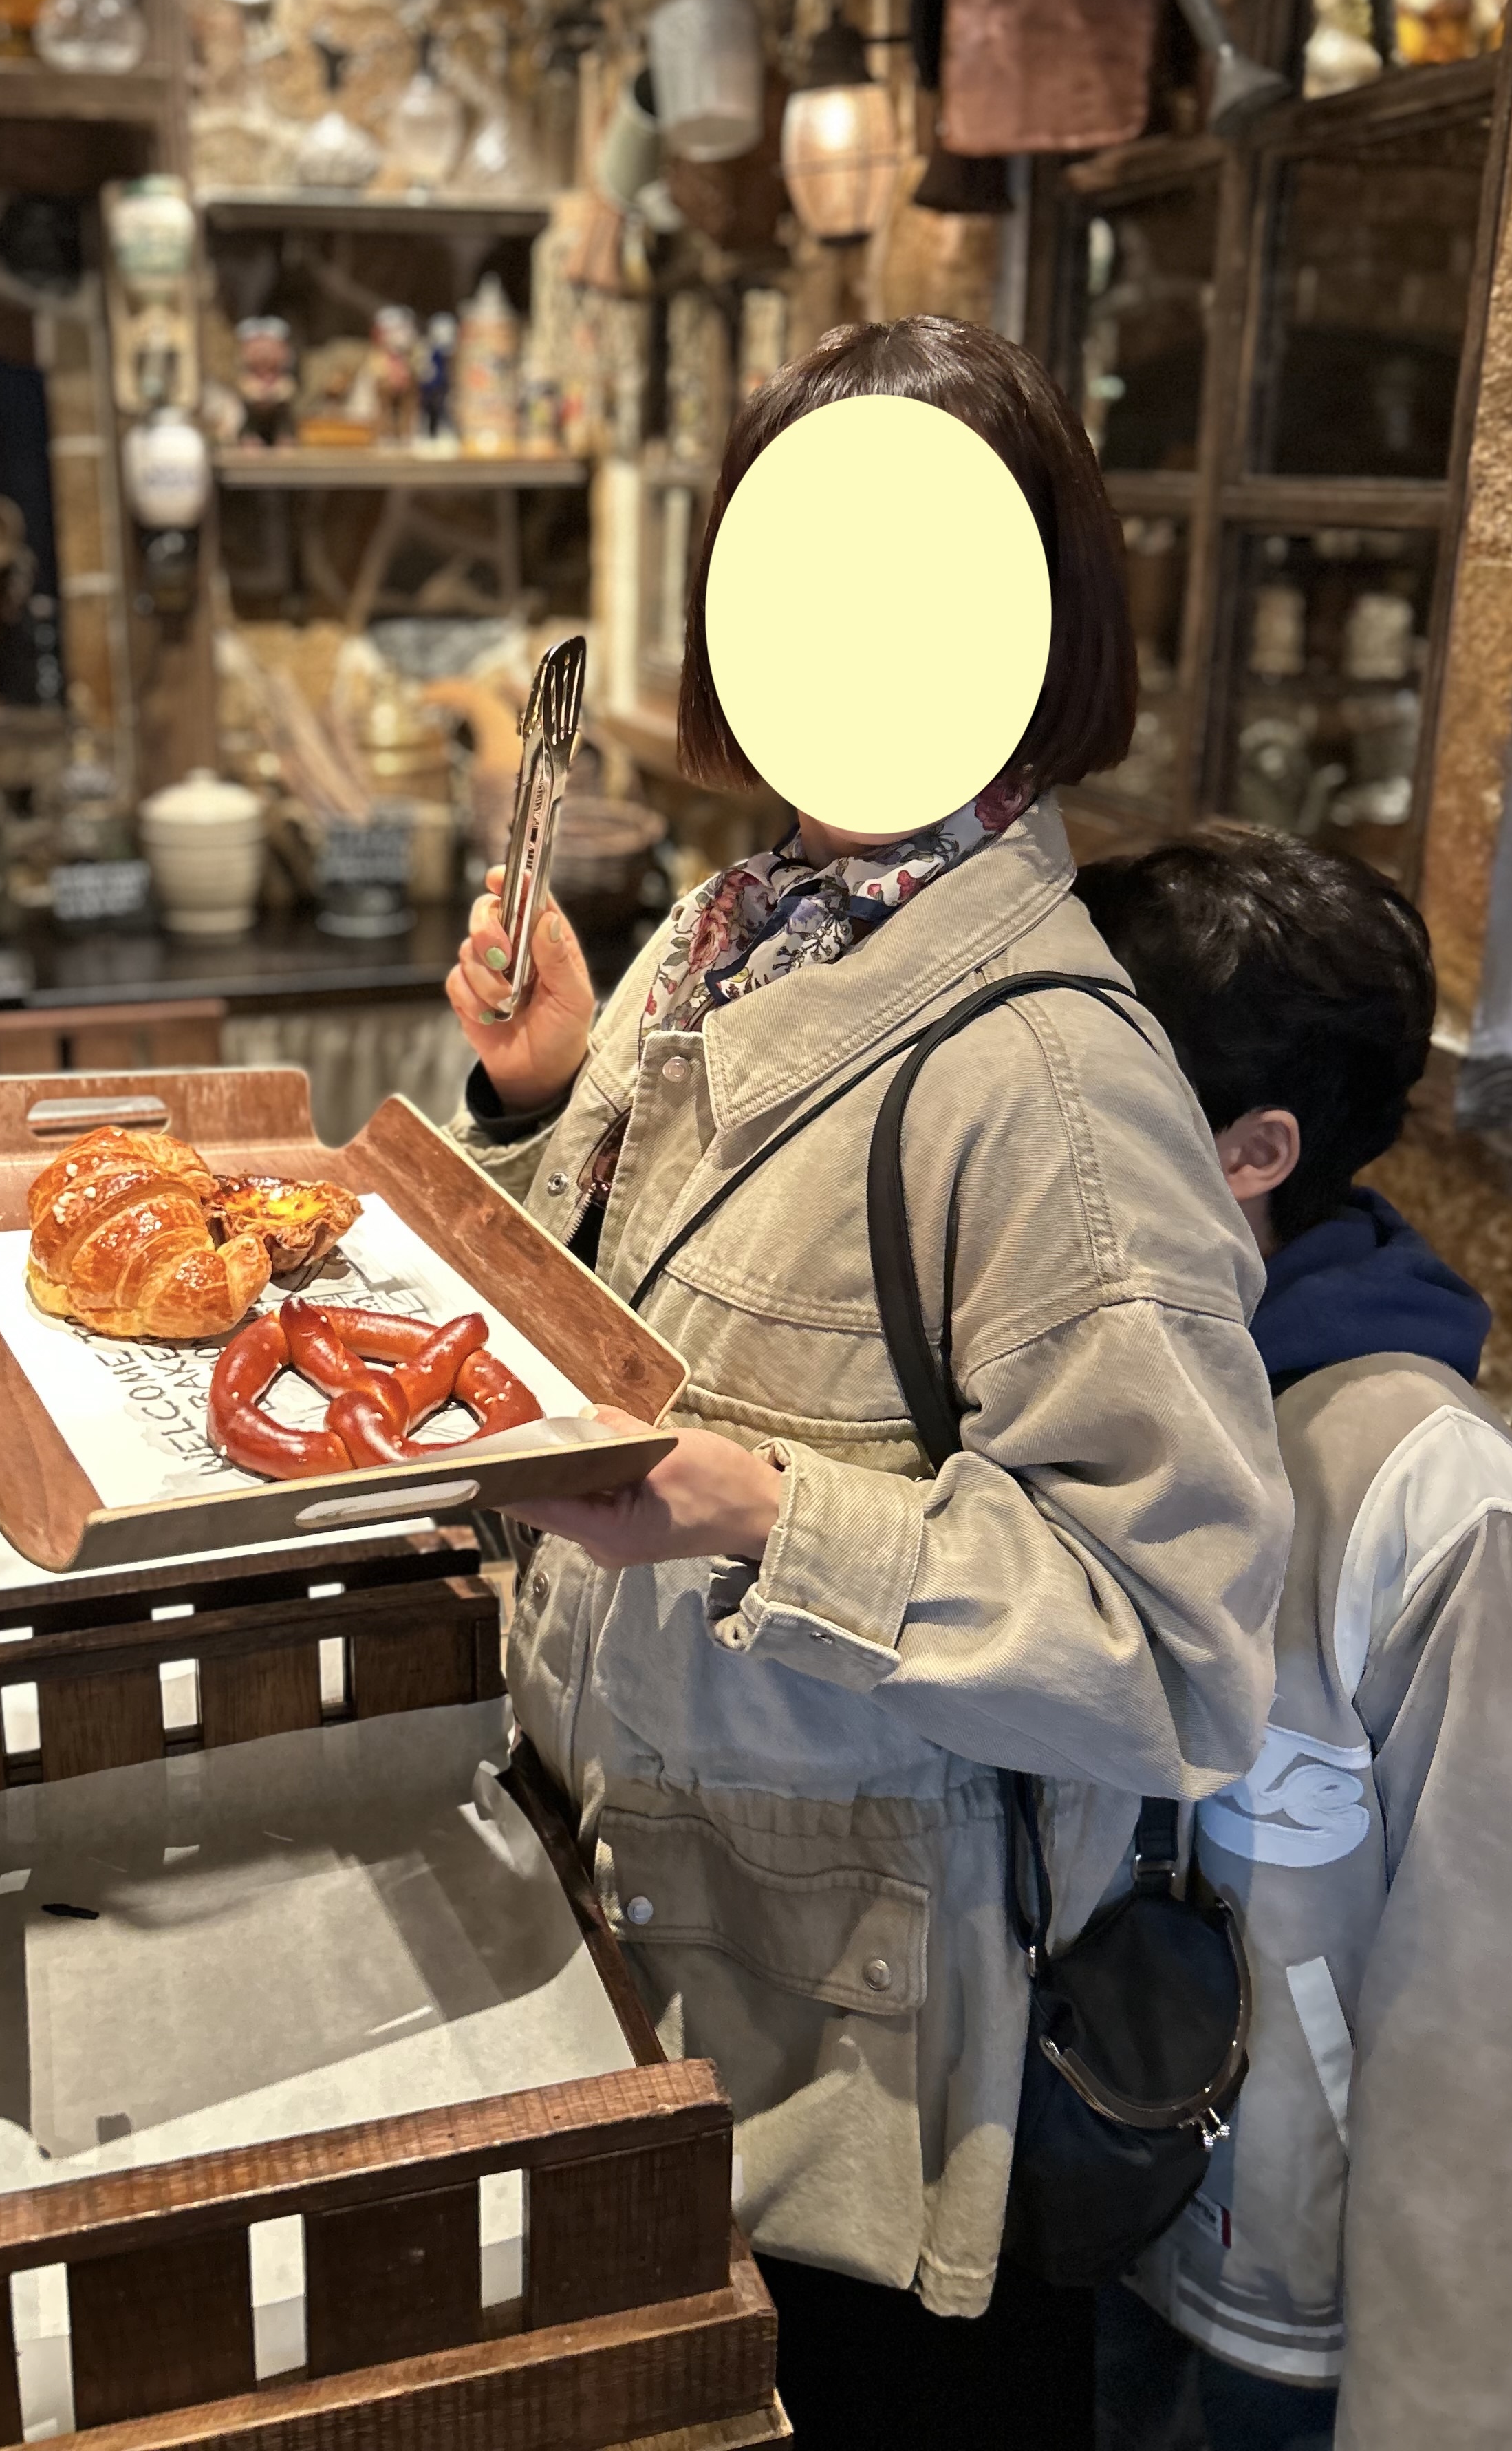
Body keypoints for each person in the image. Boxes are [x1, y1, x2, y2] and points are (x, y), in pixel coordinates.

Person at [444, 318, 1293, 2449]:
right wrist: (541, 1097)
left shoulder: (1056, 1085)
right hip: (644, 1935)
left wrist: (764, 1520)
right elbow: (620, 1318)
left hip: (869, 2086)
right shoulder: (729, 935)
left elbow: (1181, 1658)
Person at [1077, 830, 1512, 2451]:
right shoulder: (1106, 1391)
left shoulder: (1439, 1501)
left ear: (1255, 1150)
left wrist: (1444, 2421)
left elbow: (1505, 2037)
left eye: (1095, 1089)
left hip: (1280, 2316)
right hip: (1091, 2211)